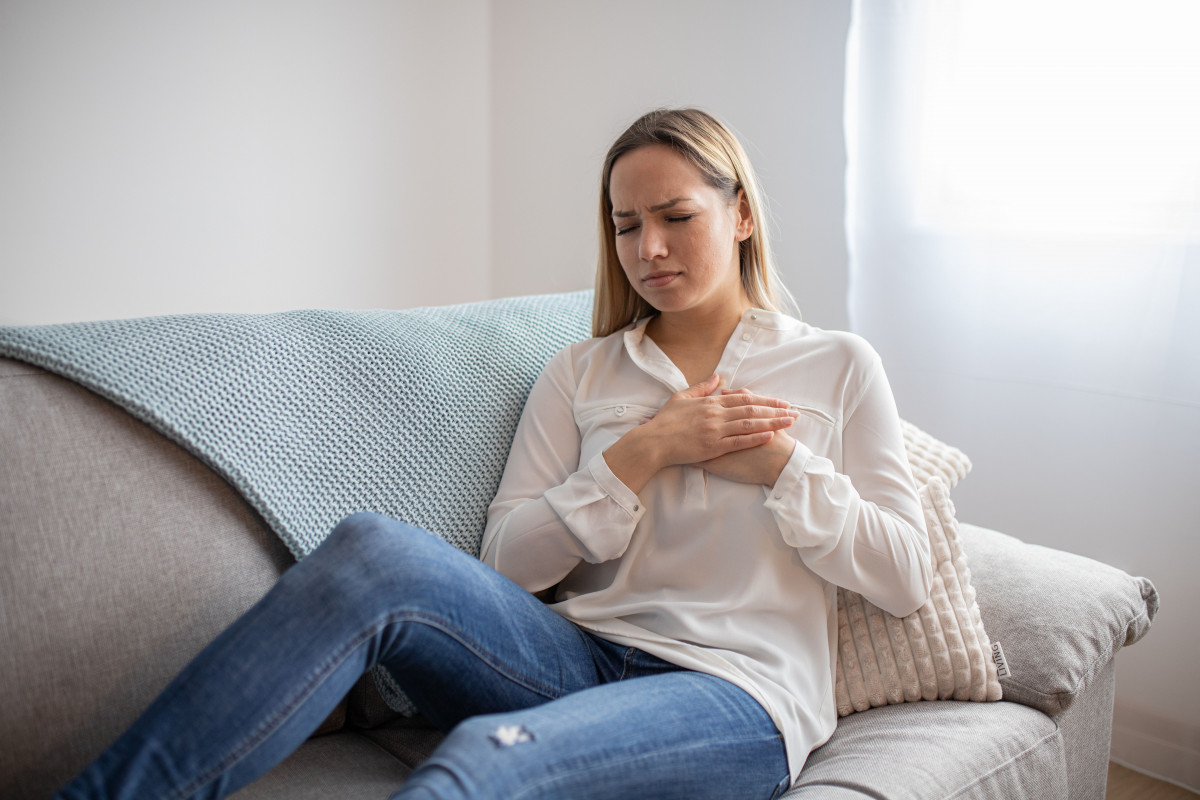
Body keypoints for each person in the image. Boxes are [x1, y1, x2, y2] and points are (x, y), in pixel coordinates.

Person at [56, 108, 932, 800]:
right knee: (373, 551)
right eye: (627, 226)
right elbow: (507, 565)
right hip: (574, 658)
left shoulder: (836, 365)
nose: (649, 249)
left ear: (740, 214)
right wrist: (639, 456)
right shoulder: (582, 370)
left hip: (736, 695)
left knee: (490, 759)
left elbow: (904, 575)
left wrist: (783, 468)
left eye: (676, 217)